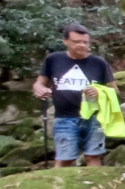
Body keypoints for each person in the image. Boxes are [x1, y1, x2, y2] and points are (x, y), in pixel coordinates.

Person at [32, 23, 118, 168]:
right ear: (65, 41)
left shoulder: (99, 63)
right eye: (76, 42)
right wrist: (39, 89)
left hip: (94, 117)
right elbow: (39, 84)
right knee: (65, 159)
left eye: (85, 42)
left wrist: (100, 92)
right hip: (64, 118)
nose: (82, 45)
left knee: (93, 157)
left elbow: (115, 91)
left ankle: (94, 187)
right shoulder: (53, 60)